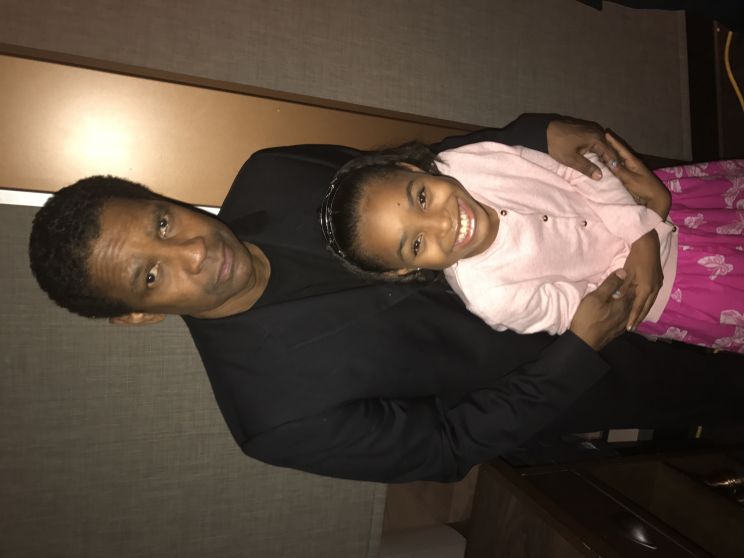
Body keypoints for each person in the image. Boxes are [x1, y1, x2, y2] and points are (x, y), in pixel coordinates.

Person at [28, 114, 744, 483]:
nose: (192, 251)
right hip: (606, 364)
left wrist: (537, 134)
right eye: (150, 277)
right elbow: (446, 445)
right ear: (137, 314)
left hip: (598, 221)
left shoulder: (275, 174)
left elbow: (415, 172)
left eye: (160, 222)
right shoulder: (273, 418)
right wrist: (579, 351)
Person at [319, 134, 744, 352]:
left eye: (422, 198)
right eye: (416, 244)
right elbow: (588, 308)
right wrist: (646, 239)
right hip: (673, 287)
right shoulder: (494, 298)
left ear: (412, 168)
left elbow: (573, 169)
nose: (442, 223)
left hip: (672, 202)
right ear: (406, 270)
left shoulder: (467, 161)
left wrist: (641, 228)